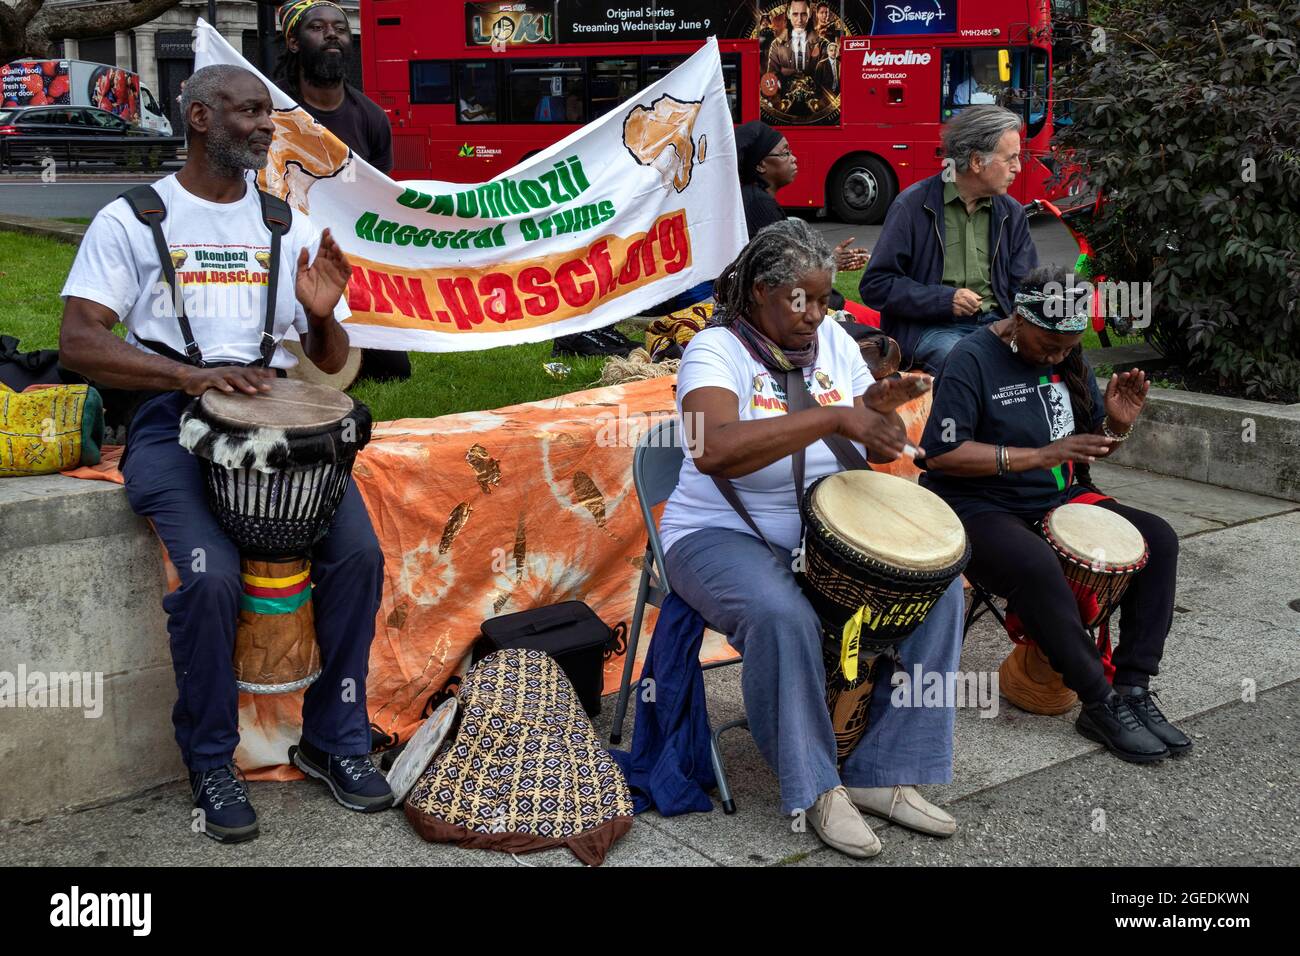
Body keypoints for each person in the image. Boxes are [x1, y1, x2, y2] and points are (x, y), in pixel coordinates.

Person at [58, 64, 392, 844]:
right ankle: (210, 760)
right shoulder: (134, 218)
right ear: (200, 118)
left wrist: (320, 317)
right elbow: (79, 342)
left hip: (280, 425)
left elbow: (331, 362)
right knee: (210, 579)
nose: (266, 125)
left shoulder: (285, 224)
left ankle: (334, 740)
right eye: (248, 112)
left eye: (266, 114)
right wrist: (190, 374)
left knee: (360, 558)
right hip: (172, 420)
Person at [658, 219, 966, 859]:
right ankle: (816, 788)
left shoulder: (829, 338)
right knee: (782, 615)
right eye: (805, 300)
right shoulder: (713, 352)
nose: (819, 315)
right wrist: (830, 414)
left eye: (827, 300)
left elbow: (860, 422)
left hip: (824, 533)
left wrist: (880, 406)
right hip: (716, 534)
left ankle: (883, 771)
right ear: (764, 291)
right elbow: (710, 446)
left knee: (939, 592)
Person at [918, 265, 1190, 763]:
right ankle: (1099, 700)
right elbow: (941, 454)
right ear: (1019, 318)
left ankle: (1132, 687)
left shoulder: (1067, 357)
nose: (1058, 354)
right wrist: (1038, 455)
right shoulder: (972, 358)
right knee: (1034, 564)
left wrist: (1115, 424)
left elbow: (1080, 448)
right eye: (1049, 342)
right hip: (979, 507)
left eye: (1068, 345)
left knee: (1160, 538)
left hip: (1056, 499)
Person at [275, 0, 412, 383]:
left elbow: (377, 200)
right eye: (317, 27)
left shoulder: (370, 117)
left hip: (347, 258)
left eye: (340, 27)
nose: (332, 32)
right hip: (285, 254)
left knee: (394, 373)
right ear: (294, 42)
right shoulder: (270, 109)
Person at [860, 105, 1038, 374]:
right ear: (977, 162)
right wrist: (943, 300)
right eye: (1010, 159)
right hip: (931, 328)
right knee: (967, 364)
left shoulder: (1010, 212)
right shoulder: (912, 206)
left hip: (997, 322)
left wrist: (1023, 324)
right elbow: (876, 286)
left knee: (1054, 353)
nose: (1018, 168)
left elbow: (1025, 285)